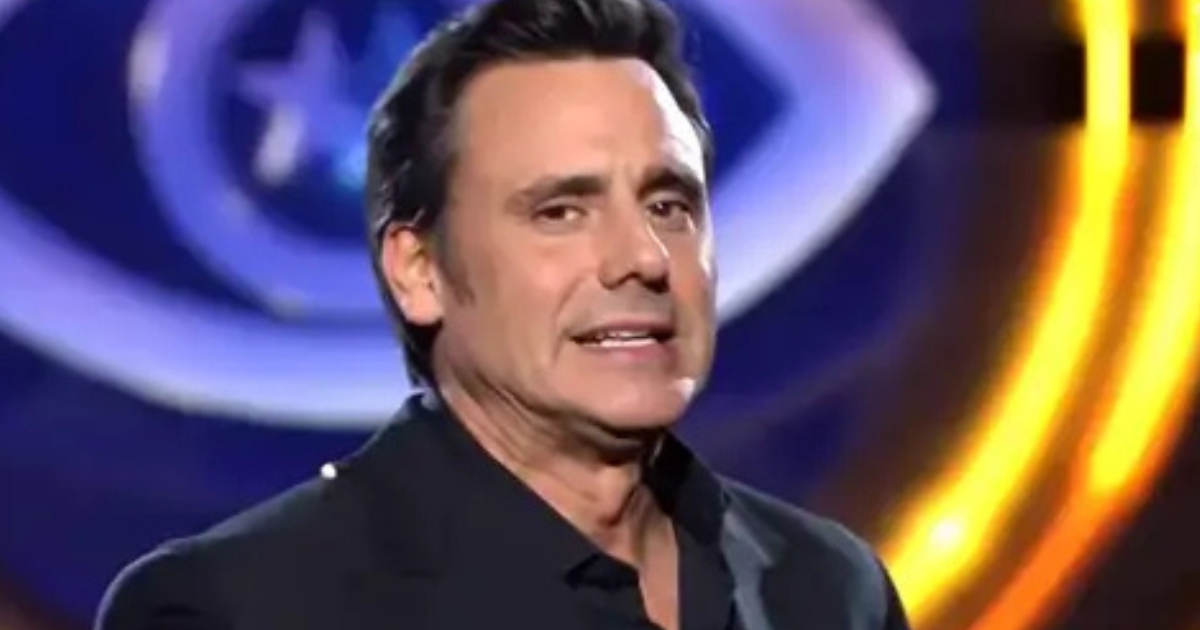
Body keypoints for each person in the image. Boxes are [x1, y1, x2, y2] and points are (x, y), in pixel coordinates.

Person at [96, 0, 911, 628]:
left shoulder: (829, 589)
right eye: (561, 211)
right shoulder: (238, 608)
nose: (643, 257)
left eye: (670, 205)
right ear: (419, 272)